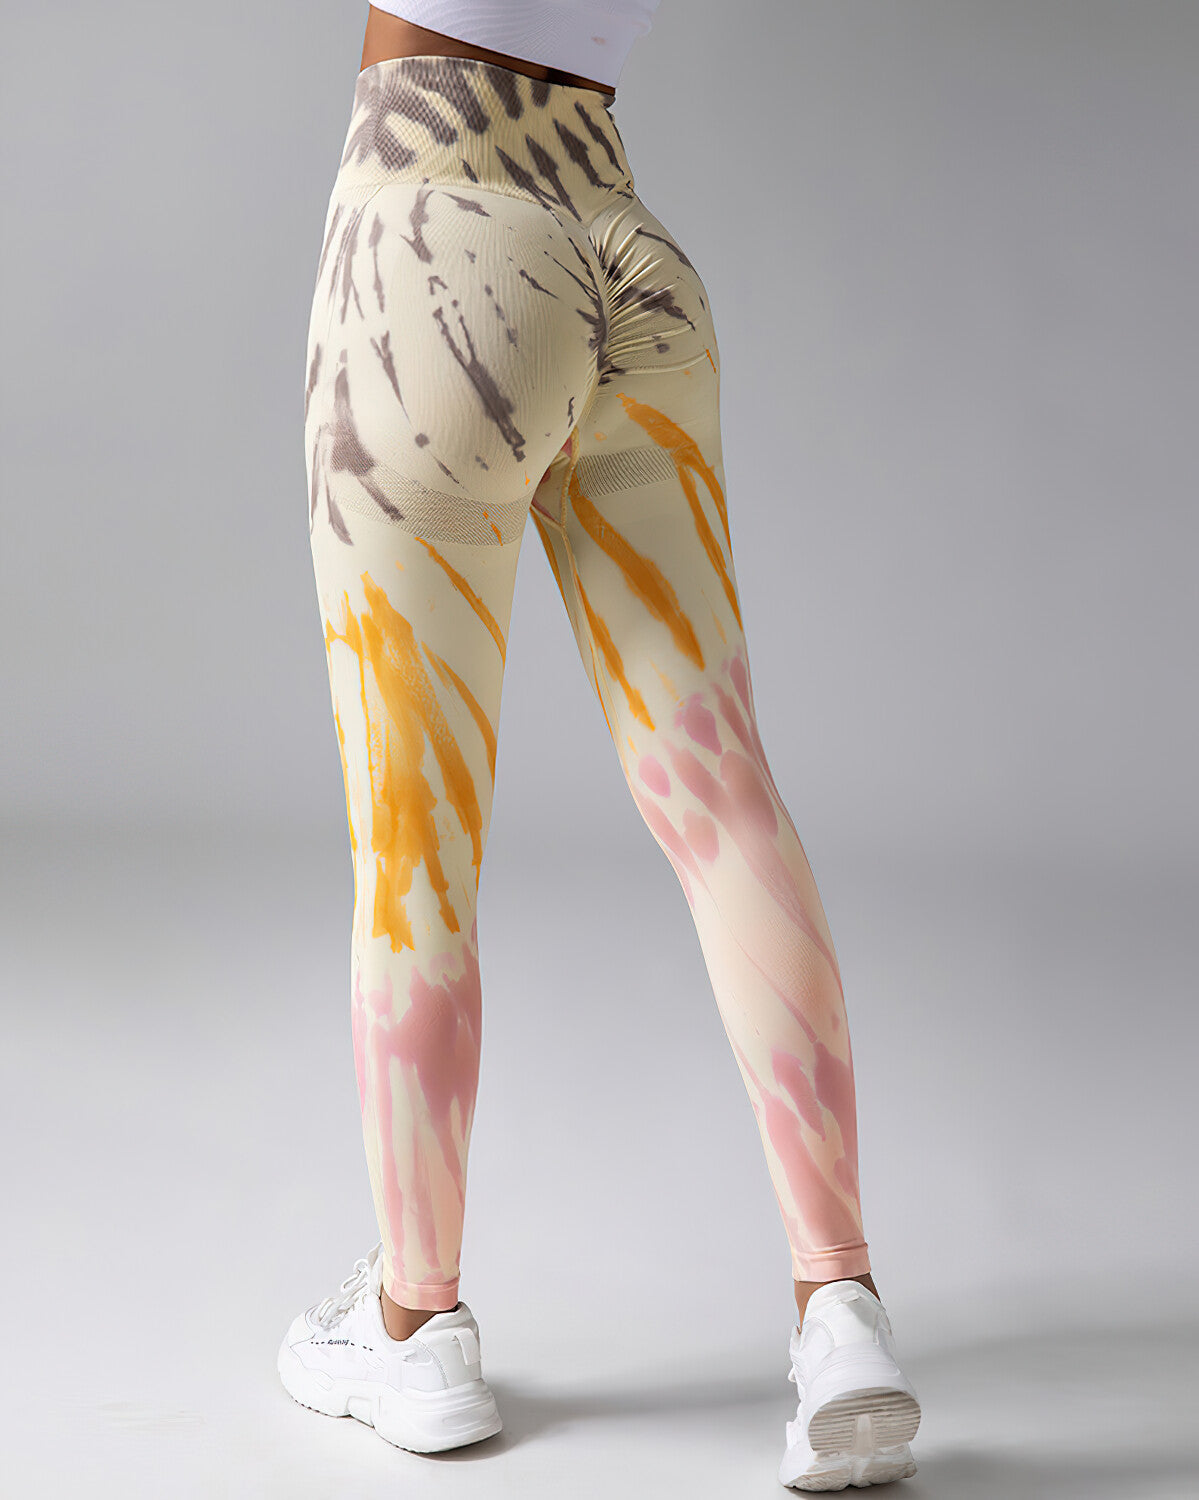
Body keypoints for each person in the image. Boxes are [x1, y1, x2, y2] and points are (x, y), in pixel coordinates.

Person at [277, 3, 922, 1489]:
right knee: (724, 793)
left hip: (430, 243)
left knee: (414, 844)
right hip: (628, 248)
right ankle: (842, 1311)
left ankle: (414, 1325)